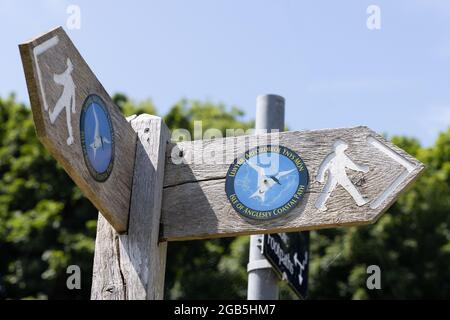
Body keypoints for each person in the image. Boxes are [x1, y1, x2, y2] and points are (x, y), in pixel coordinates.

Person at [315, 139, 369, 211]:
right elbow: (324, 166)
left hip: (341, 175)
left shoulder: (343, 156)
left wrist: (361, 168)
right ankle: (360, 201)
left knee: (330, 189)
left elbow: (351, 165)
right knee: (348, 187)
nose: (343, 149)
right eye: (342, 148)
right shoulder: (332, 156)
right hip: (336, 175)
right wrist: (320, 176)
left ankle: (319, 204)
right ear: (339, 148)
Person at [49, 58, 76, 145]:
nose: (71, 69)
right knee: (57, 108)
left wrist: (73, 107)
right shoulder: (68, 77)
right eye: (70, 68)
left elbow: (74, 96)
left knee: (68, 119)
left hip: (67, 100)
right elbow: (61, 77)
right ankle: (52, 118)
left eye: (71, 68)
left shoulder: (71, 81)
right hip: (64, 98)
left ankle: (71, 136)